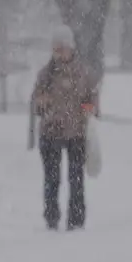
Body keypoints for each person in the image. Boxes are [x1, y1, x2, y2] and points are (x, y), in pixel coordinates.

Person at [31, 25, 97, 231]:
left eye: (63, 48)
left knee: (76, 179)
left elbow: (92, 97)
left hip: (76, 132)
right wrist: (41, 101)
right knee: (52, 179)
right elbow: (36, 103)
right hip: (50, 133)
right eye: (56, 49)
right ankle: (51, 218)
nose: (60, 53)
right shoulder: (45, 74)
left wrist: (89, 108)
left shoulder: (83, 73)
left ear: (71, 48)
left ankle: (76, 220)